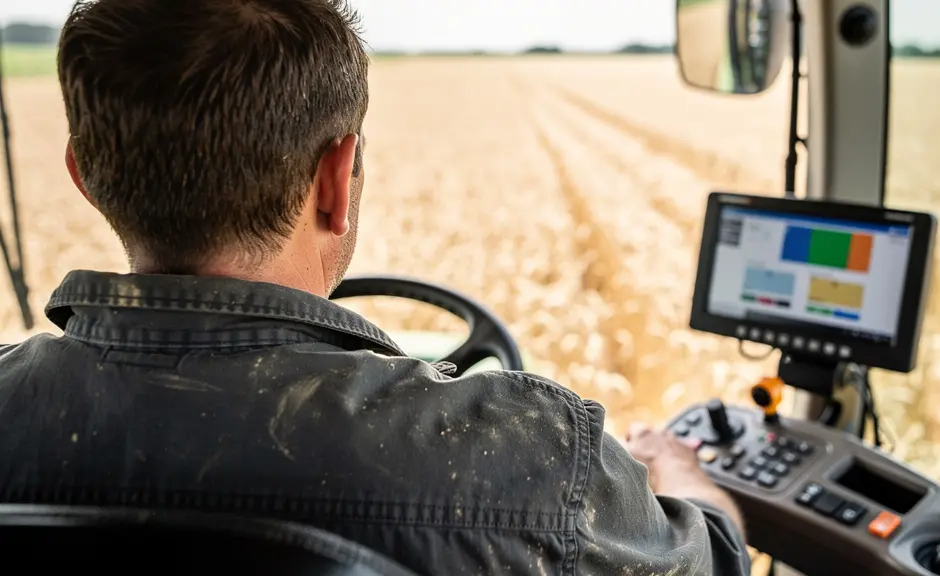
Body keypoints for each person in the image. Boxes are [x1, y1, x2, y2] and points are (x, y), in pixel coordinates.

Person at [0, 1, 751, 574]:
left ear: (85, 178)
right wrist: (685, 477)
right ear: (336, 178)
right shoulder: (533, 457)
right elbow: (710, 560)